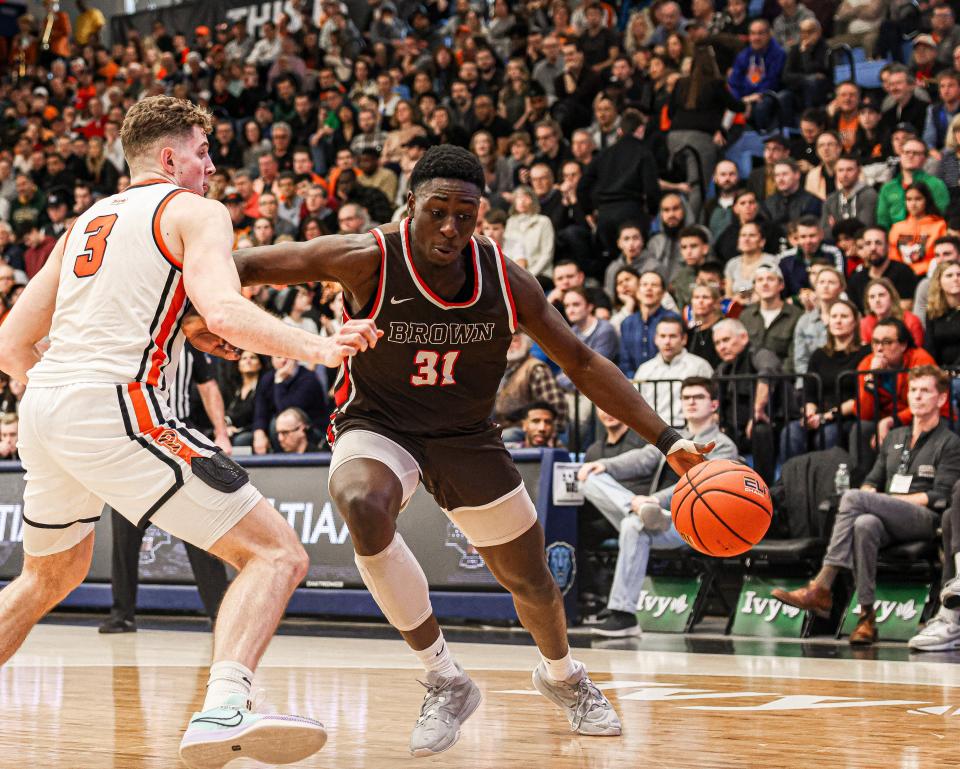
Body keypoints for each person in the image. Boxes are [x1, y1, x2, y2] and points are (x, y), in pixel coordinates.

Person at [200, 145, 712, 754]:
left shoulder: (505, 276)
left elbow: (580, 359)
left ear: (481, 216)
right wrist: (204, 313)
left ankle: (564, 675)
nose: (450, 228)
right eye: (437, 211)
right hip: (380, 424)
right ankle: (444, 676)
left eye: (464, 215)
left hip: (468, 436)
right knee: (361, 500)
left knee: (531, 582)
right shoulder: (365, 258)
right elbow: (241, 265)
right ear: (409, 203)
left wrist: (669, 438)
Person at [0, 96, 381, 764]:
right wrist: (320, 346)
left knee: (49, 578)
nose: (211, 168)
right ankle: (223, 706)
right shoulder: (195, 210)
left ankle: (222, 704)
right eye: (203, 154)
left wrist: (67, 398)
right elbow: (227, 310)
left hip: (46, 403)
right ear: (171, 157)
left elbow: (10, 343)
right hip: (115, 404)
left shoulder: (86, 220)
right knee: (278, 553)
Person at [773, 366, 960, 645]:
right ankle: (866, 618)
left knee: (853, 498)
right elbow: (872, 481)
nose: (917, 397)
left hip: (925, 519)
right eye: (913, 390)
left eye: (925, 391)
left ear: (942, 399)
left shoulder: (950, 442)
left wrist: (881, 501)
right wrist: (875, 499)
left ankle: (822, 585)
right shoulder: (895, 437)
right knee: (864, 523)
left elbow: (940, 497)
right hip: (888, 517)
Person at [577, 376, 739, 637]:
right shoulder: (675, 436)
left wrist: (656, 500)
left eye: (698, 397)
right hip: (651, 515)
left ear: (714, 404)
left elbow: (702, 485)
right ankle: (633, 507)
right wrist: (606, 465)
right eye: (686, 397)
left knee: (633, 526)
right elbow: (642, 458)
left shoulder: (722, 446)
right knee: (589, 478)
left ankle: (623, 615)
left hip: (688, 523)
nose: (691, 403)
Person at [782, 298, 869, 457]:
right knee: (791, 432)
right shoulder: (819, 354)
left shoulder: (865, 353)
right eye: (834, 316)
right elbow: (809, 391)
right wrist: (810, 412)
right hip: (819, 414)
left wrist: (827, 416)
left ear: (855, 321)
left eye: (844, 316)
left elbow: (861, 397)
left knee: (829, 434)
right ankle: (791, 480)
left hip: (848, 416)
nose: (838, 321)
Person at [713, 318, 783, 482]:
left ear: (743, 337)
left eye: (726, 340)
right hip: (733, 428)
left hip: (769, 425)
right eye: (717, 343)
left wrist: (757, 411)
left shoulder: (759, 354)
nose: (722, 347)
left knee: (760, 429)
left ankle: (766, 486)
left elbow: (766, 372)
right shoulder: (723, 369)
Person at [634, 316, 713, 426]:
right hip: (653, 433)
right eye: (663, 336)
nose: (667, 341)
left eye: (673, 336)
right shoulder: (644, 370)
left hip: (691, 431)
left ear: (684, 339)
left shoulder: (700, 366)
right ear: (656, 339)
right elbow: (636, 406)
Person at [876, 138, 950, 230]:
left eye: (916, 153)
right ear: (900, 155)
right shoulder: (888, 187)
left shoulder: (936, 185)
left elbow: (942, 217)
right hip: (894, 239)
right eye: (906, 152)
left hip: (927, 237)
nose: (910, 156)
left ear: (925, 159)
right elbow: (883, 221)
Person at [618, 270, 681, 376]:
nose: (648, 289)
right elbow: (625, 361)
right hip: (634, 384)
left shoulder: (673, 319)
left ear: (663, 293)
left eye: (654, 285)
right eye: (644, 285)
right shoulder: (627, 323)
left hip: (666, 381)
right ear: (637, 291)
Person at [739, 263, 804, 364]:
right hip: (750, 376)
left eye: (770, 279)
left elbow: (795, 356)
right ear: (754, 286)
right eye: (760, 280)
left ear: (781, 285)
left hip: (783, 376)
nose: (765, 283)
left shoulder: (796, 315)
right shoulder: (746, 316)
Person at [847, 226, 920, 312]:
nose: (873, 248)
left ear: (888, 246)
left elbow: (906, 308)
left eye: (878, 243)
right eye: (868, 243)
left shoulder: (903, 272)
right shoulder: (856, 279)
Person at [792, 265, 845, 374]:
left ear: (841, 288)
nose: (826, 286)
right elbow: (800, 360)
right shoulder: (804, 321)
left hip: (842, 379)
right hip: (810, 381)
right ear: (815, 287)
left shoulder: (850, 316)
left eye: (831, 282)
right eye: (821, 282)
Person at [887, 182, 947, 276]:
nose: (913, 204)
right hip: (901, 275)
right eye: (909, 199)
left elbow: (940, 255)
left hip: (929, 275)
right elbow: (893, 256)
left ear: (926, 200)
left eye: (918, 199)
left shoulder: (939, 226)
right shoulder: (897, 228)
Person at [821, 153, 877, 239]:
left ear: (859, 171)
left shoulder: (869, 195)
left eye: (849, 169)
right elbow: (825, 233)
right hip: (836, 247)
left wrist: (836, 227)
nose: (844, 174)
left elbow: (864, 227)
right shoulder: (830, 199)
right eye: (840, 170)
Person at [860, 277, 924, 348]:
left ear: (892, 298)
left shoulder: (911, 321)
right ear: (867, 302)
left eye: (881, 295)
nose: (877, 300)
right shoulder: (865, 324)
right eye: (872, 297)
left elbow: (917, 351)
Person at [923, 261, 960, 369]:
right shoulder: (932, 312)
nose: (955, 279)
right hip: (941, 372)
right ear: (939, 282)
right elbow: (930, 346)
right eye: (949, 275)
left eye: (959, 275)